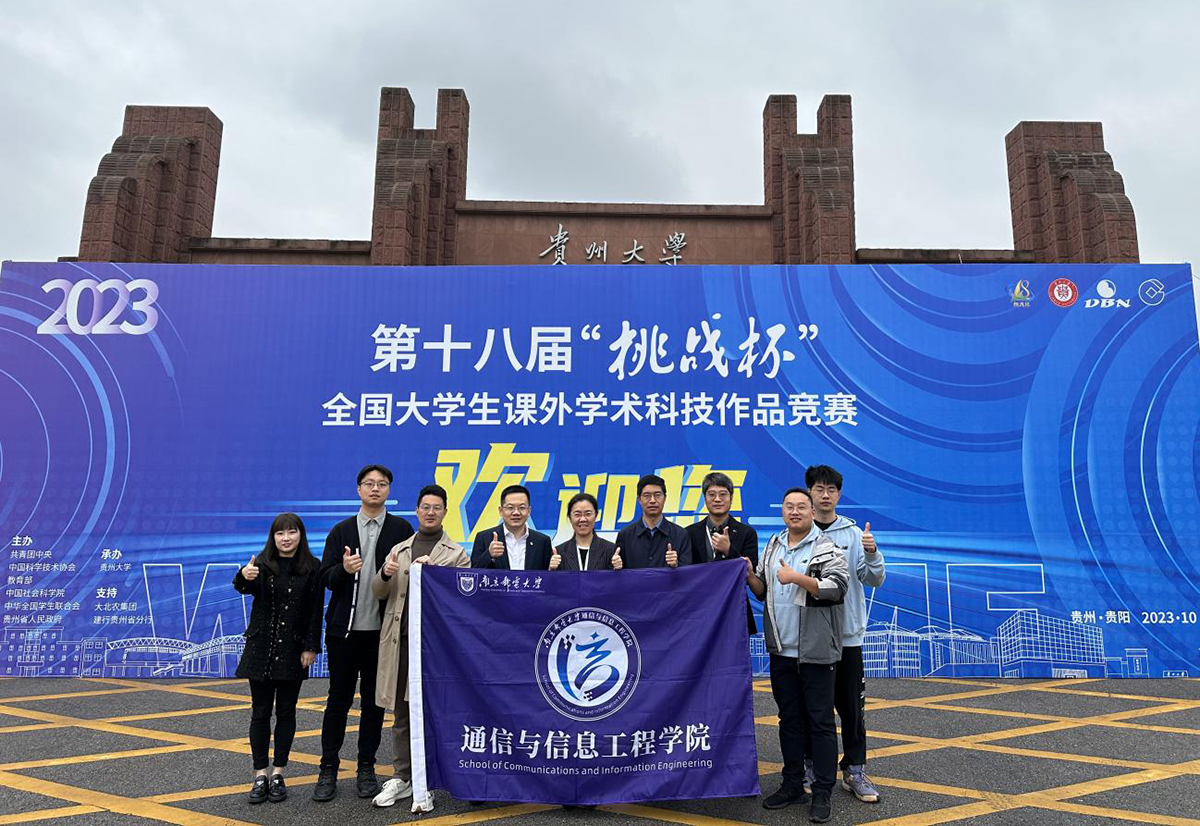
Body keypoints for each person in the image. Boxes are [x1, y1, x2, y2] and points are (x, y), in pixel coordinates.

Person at [745, 488, 847, 824]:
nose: (795, 511)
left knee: (820, 722)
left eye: (801, 506)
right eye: (789, 506)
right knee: (788, 720)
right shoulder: (774, 545)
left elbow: (837, 588)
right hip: (782, 650)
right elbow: (764, 590)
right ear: (783, 511)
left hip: (816, 651)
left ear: (812, 511)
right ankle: (792, 784)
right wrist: (750, 576)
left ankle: (822, 791)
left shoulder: (826, 546)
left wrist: (797, 578)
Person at [313, 464, 414, 802]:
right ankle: (327, 769)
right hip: (344, 633)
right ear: (359, 489)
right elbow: (325, 578)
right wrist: (343, 570)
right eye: (369, 484)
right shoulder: (341, 530)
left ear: (389, 490)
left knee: (374, 704)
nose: (375, 489)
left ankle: (366, 768)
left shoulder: (401, 530)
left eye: (382, 484)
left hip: (383, 635)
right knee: (337, 702)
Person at [370, 484, 469, 808]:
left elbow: (464, 597)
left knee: (434, 712)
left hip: (435, 647)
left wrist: (436, 574)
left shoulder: (456, 554)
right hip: (401, 643)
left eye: (436, 507)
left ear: (445, 512)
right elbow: (378, 592)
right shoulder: (400, 549)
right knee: (402, 713)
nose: (430, 512)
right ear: (417, 510)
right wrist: (385, 574)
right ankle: (402, 776)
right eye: (425, 507)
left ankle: (430, 778)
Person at [805, 464, 886, 804]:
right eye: (819, 489)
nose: (825, 495)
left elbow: (874, 579)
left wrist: (871, 552)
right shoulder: (799, 531)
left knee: (852, 709)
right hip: (811, 638)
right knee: (814, 708)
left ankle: (854, 770)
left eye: (831, 489)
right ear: (810, 492)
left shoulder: (853, 534)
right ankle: (811, 765)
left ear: (838, 494)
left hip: (848, 635)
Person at [232, 513, 323, 805]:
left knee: (286, 712)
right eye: (280, 533)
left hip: (292, 651)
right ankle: (260, 774)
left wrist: (310, 647)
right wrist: (243, 576)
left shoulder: (313, 567)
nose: (286, 538)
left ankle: (278, 773)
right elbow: (243, 586)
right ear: (273, 537)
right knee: (260, 712)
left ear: (301, 535)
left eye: (291, 532)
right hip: (260, 648)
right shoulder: (260, 564)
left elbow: (315, 610)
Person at [685, 471, 759, 635]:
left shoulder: (747, 533)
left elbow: (749, 574)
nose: (717, 499)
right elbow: (685, 574)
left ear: (731, 498)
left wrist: (729, 550)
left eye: (723, 494)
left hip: (734, 610)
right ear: (705, 499)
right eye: (711, 494)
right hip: (698, 612)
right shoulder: (689, 533)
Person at [612, 474, 692, 569]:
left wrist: (676, 565)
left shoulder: (680, 535)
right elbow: (617, 572)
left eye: (657, 495)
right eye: (647, 496)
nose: (652, 500)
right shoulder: (625, 535)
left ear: (665, 498)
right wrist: (615, 567)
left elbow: (689, 574)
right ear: (639, 500)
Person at [470, 484, 554, 571]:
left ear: (529, 511)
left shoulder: (542, 541)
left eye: (522, 508)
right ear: (501, 511)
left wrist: (552, 569)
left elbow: (546, 575)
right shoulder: (484, 538)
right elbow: (473, 573)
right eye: (510, 508)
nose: (516, 512)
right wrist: (489, 555)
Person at [550, 492, 621, 571]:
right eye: (577, 514)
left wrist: (617, 571)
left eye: (588, 514)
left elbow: (618, 578)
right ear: (570, 518)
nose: (583, 519)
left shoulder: (610, 550)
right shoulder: (559, 553)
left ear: (596, 515)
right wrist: (551, 571)